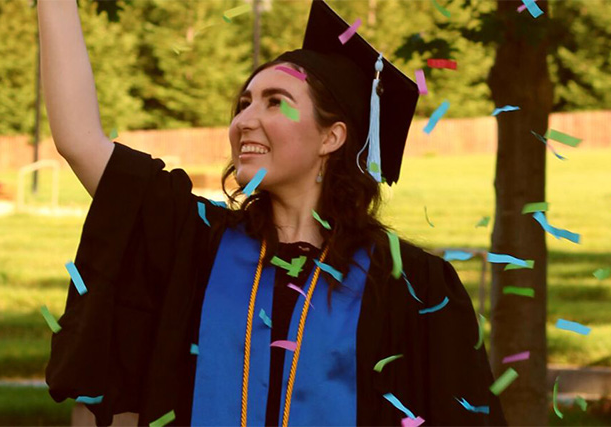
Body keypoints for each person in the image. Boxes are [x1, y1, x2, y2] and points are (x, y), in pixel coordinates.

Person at [39, 0, 507, 425]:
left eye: (274, 102)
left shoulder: (411, 287)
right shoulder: (196, 240)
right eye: (243, 103)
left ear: (332, 137)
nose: (244, 120)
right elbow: (79, 141)